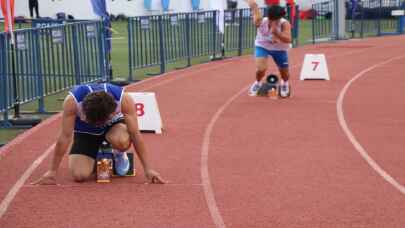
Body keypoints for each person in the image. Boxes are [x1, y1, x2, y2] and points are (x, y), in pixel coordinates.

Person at [32, 83, 166, 184]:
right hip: (86, 132)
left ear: (112, 112)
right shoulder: (72, 102)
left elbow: (135, 134)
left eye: (101, 122)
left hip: (113, 127)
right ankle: (98, 156)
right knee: (80, 176)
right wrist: (52, 171)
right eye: (97, 123)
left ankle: (119, 154)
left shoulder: (123, 99)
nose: (99, 125)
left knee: (121, 141)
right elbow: (65, 137)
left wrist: (148, 169)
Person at [247, 0, 292, 98]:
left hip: (280, 49)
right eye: (273, 20)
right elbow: (254, 5)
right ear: (269, 17)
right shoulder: (260, 21)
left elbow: (288, 39)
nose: (275, 22)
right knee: (261, 69)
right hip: (262, 46)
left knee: (284, 73)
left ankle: (285, 83)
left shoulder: (285, 24)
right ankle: (258, 83)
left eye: (277, 20)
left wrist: (277, 33)